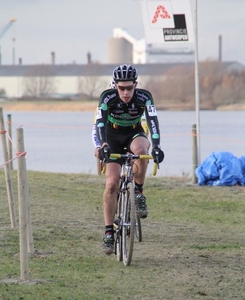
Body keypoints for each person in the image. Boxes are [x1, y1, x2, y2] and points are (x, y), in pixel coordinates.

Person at [94, 64, 164, 255]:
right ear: (115, 85)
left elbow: (153, 122)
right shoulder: (107, 97)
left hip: (134, 133)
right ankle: (109, 231)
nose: (125, 92)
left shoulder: (144, 97)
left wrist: (157, 146)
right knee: (111, 184)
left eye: (129, 88)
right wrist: (102, 146)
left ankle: (139, 194)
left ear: (136, 84)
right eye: (121, 88)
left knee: (142, 150)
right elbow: (100, 124)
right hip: (112, 136)